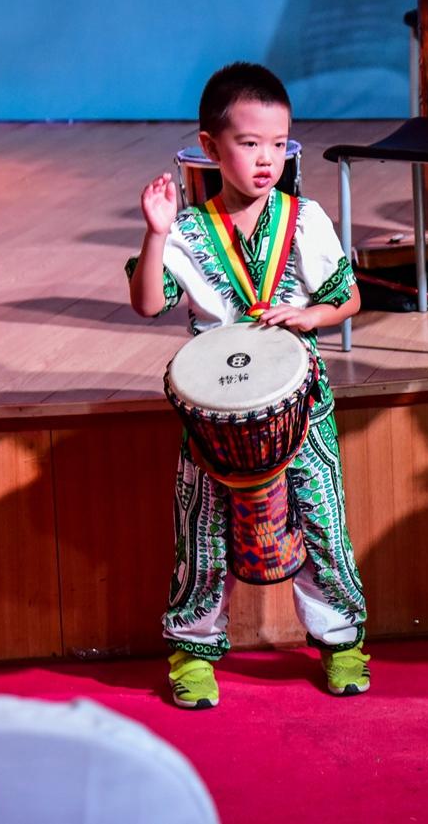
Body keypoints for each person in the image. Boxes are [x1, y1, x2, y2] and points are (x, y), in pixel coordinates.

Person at [128, 62, 368, 708]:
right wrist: (155, 235)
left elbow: (346, 298)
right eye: (248, 143)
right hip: (216, 416)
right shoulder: (188, 229)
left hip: (303, 411)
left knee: (323, 526)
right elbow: (149, 303)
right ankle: (192, 650)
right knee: (203, 535)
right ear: (209, 147)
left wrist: (309, 315)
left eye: (278, 144)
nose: (266, 159)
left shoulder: (305, 217)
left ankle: (342, 642)